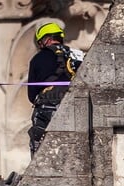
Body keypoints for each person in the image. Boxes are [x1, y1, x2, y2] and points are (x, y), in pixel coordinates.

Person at [27, 22, 83, 157]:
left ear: (45, 39)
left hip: (47, 107)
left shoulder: (38, 58)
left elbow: (31, 94)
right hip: (76, 105)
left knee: (39, 148)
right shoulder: (78, 55)